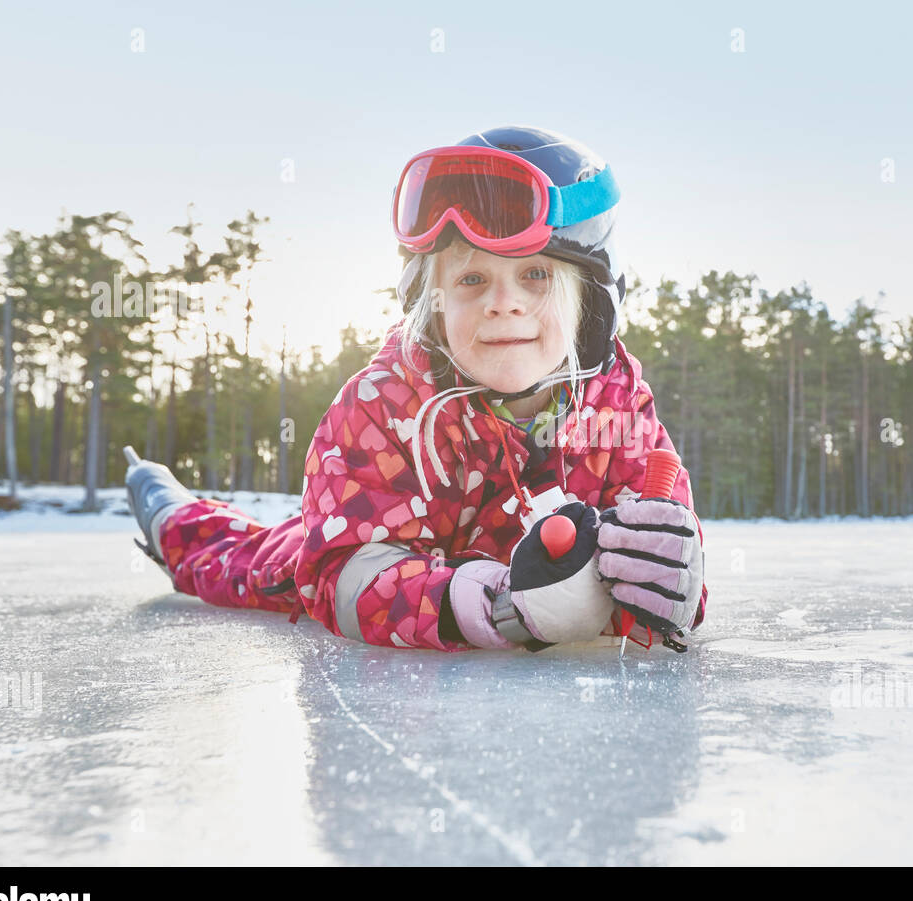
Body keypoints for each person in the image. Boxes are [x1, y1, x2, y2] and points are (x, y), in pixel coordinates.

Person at [124, 124, 708, 652]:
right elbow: (343, 572)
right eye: (471, 278)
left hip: (499, 563)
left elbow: (663, 525)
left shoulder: (620, 404)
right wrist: (492, 605)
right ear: (431, 306)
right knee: (253, 561)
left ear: (590, 303)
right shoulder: (382, 403)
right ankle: (170, 513)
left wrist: (671, 575)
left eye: (535, 274)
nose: (503, 302)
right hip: (372, 538)